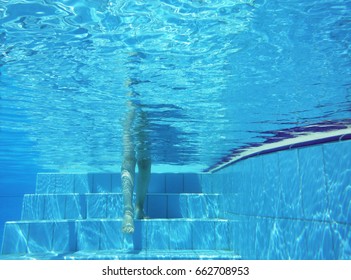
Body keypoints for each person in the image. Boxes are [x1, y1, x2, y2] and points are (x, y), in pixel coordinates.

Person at [121, 80, 151, 234]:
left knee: (145, 162)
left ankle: (139, 207)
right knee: (129, 158)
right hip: (130, 109)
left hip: (145, 108)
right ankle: (128, 212)